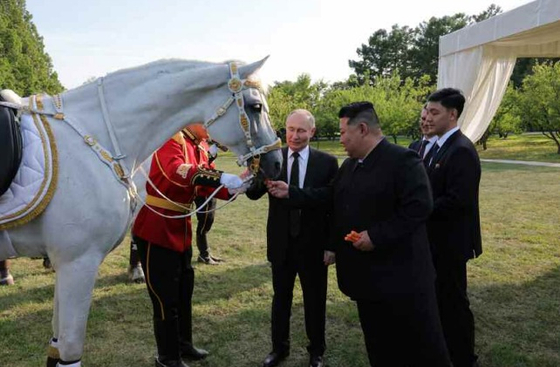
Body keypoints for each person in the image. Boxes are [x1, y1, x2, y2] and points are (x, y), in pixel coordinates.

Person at [328, 101, 451, 366]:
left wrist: (376, 236)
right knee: (380, 348)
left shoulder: (403, 160)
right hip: (367, 283)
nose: (340, 139)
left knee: (421, 350)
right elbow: (331, 199)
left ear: (362, 129)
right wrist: (291, 192)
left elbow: (419, 207)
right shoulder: (350, 165)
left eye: (342, 132)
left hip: (403, 283)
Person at [131, 125, 248, 367]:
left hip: (180, 227)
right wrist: (222, 178)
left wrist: (237, 185)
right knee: (165, 298)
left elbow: (206, 184)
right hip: (157, 228)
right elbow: (177, 171)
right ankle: (167, 357)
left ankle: (183, 345)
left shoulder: (199, 145)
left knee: (184, 293)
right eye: (205, 122)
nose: (210, 127)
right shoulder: (170, 138)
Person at [246, 109, 338, 367]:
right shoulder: (274, 159)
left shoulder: (327, 162)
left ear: (312, 132)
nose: (295, 136)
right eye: (290, 130)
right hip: (281, 245)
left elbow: (330, 200)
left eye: (301, 130)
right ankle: (279, 349)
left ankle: (316, 351)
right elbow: (253, 195)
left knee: (315, 301)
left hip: (314, 246)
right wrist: (255, 177)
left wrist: (331, 246)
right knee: (281, 299)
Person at [425, 88, 482, 367]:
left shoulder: (461, 149)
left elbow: (458, 200)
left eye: (434, 112)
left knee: (454, 304)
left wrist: (418, 208)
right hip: (434, 241)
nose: (428, 117)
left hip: (450, 243)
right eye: (428, 111)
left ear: (452, 114)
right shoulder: (437, 146)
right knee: (439, 302)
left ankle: (464, 359)